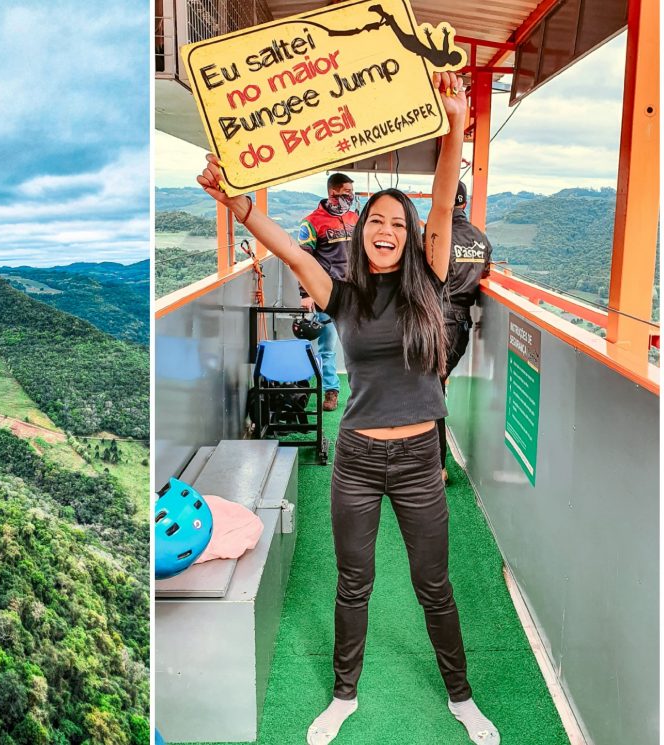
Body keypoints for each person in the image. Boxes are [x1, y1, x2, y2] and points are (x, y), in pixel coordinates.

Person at [197, 72, 499, 745]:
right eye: (376, 222)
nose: (386, 230)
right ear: (361, 232)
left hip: (419, 462)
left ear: (411, 236)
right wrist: (234, 201)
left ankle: (462, 698)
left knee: (435, 585)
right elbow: (283, 244)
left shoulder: (430, 282)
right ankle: (343, 695)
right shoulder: (340, 294)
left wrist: (455, 124)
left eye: (398, 223)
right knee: (353, 584)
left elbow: (442, 205)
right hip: (357, 460)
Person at [437, 181, 493, 481]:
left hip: (438, 320)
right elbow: (485, 273)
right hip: (461, 325)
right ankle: (436, 465)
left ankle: (437, 467)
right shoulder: (480, 239)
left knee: (429, 392)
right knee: (434, 388)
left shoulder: (437, 235)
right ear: (465, 203)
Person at [297, 173, 358, 411]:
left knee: (358, 344)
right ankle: (331, 391)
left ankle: (361, 391)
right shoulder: (311, 222)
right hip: (326, 294)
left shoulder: (354, 218)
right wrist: (305, 293)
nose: (351, 197)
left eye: (351, 193)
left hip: (354, 294)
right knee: (327, 348)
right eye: (347, 193)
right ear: (333, 193)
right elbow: (303, 260)